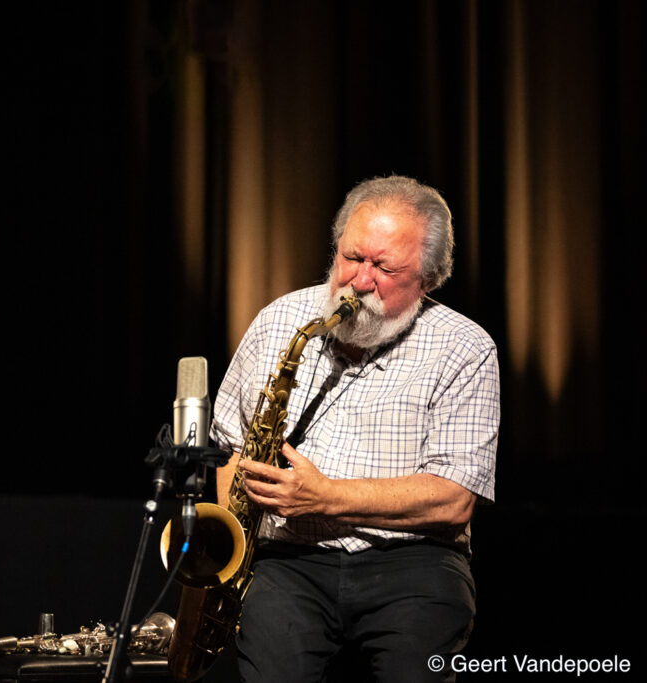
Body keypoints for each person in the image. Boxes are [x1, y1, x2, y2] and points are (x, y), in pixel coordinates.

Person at [211, 175, 499, 682]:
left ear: (427, 280)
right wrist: (235, 554)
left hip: (414, 562)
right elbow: (233, 447)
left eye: (385, 267)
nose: (359, 281)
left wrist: (326, 496)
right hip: (289, 559)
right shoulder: (281, 319)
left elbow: (453, 499)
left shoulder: (466, 348)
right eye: (352, 257)